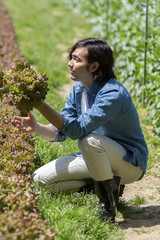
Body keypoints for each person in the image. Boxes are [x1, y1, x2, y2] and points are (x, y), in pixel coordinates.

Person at [13, 38, 148, 222]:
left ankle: (107, 208)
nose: (70, 63)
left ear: (93, 67)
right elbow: (61, 131)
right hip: (95, 156)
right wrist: (37, 128)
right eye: (71, 58)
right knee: (38, 180)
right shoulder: (79, 90)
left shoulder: (112, 94)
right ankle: (103, 185)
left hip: (128, 162)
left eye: (77, 59)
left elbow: (76, 131)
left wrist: (39, 103)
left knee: (88, 140)